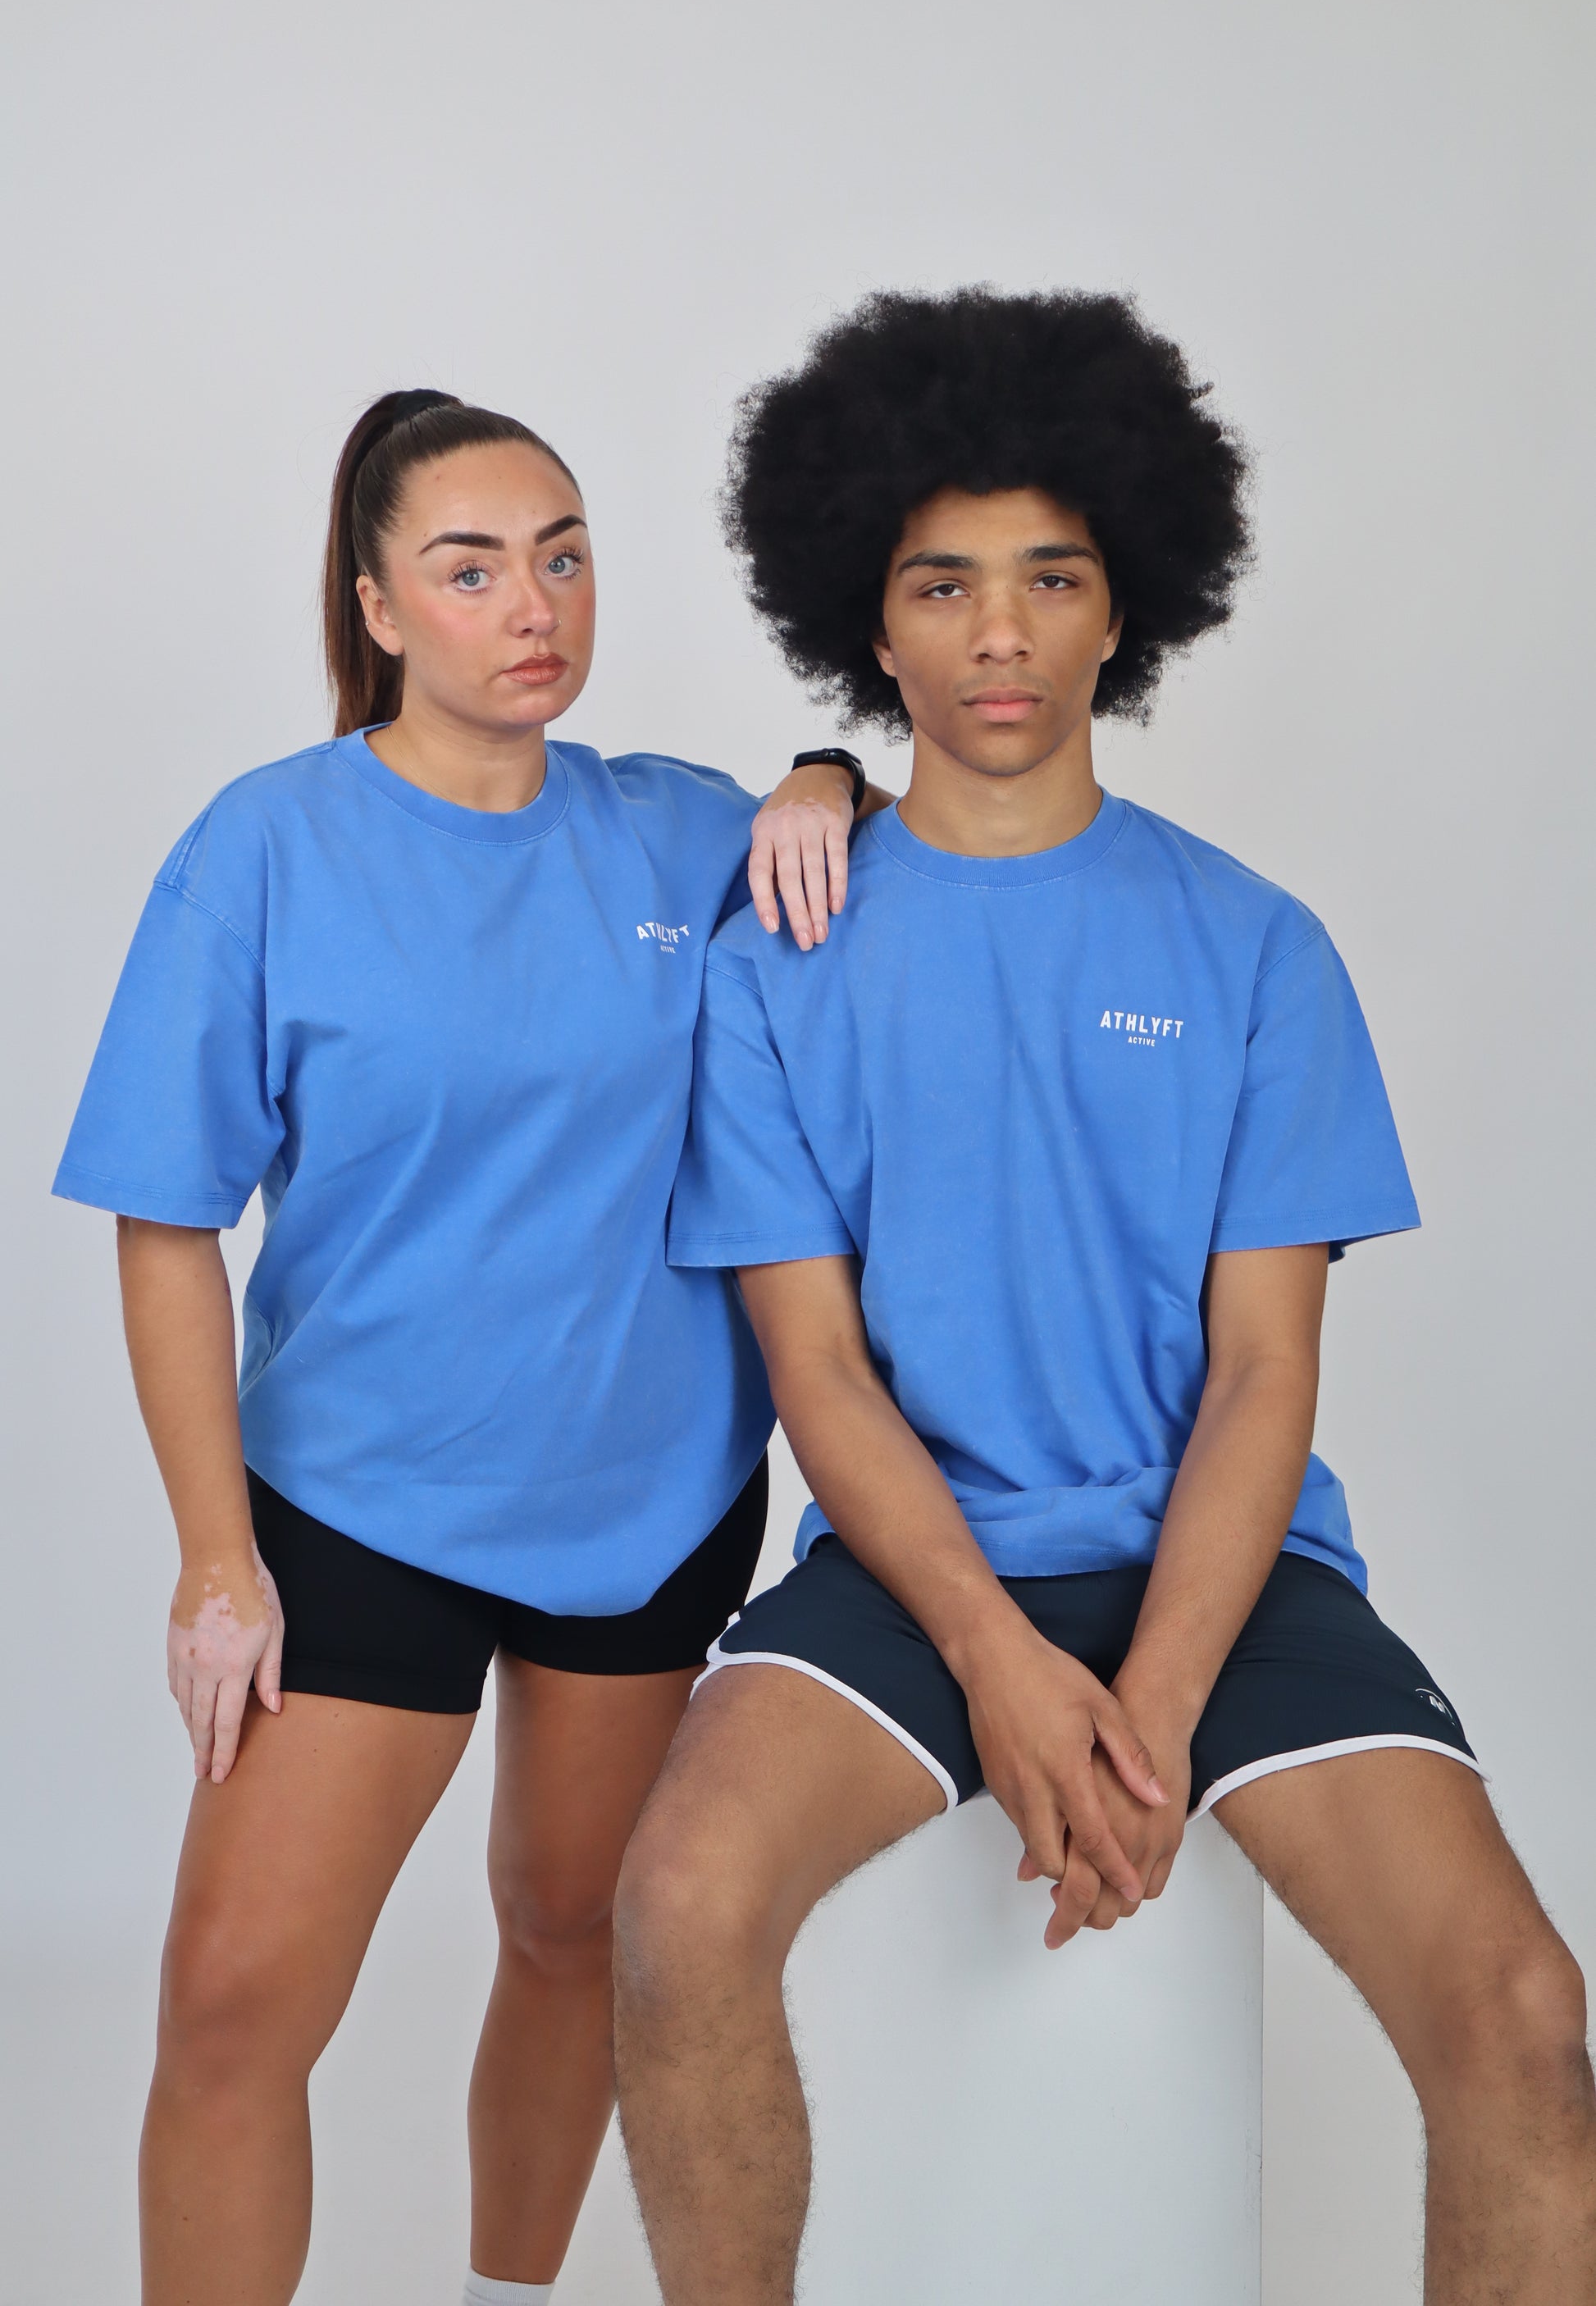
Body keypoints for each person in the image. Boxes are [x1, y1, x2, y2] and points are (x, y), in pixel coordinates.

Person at [611, 291, 1596, 2305]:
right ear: (873, 629)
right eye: (944, 584)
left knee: (1518, 2009)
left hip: (1224, 1564)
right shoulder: (774, 964)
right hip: (910, 1565)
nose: (999, 631)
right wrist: (991, 1652)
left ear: (1119, 607)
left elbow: (1261, 1375)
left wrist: (1145, 1710)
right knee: (676, 1905)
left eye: (1048, 578)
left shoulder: (1255, 945)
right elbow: (816, 1370)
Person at [52, 386, 888, 2306]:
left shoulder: (680, 830)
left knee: (573, 1935)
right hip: (360, 1505)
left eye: (564, 556)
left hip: (649, 1495)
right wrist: (213, 1554)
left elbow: (875, 856)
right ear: (377, 606)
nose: (535, 603)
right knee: (233, 2003)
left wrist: (825, 771)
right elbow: (165, 1221)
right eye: (472, 566)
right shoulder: (268, 847)